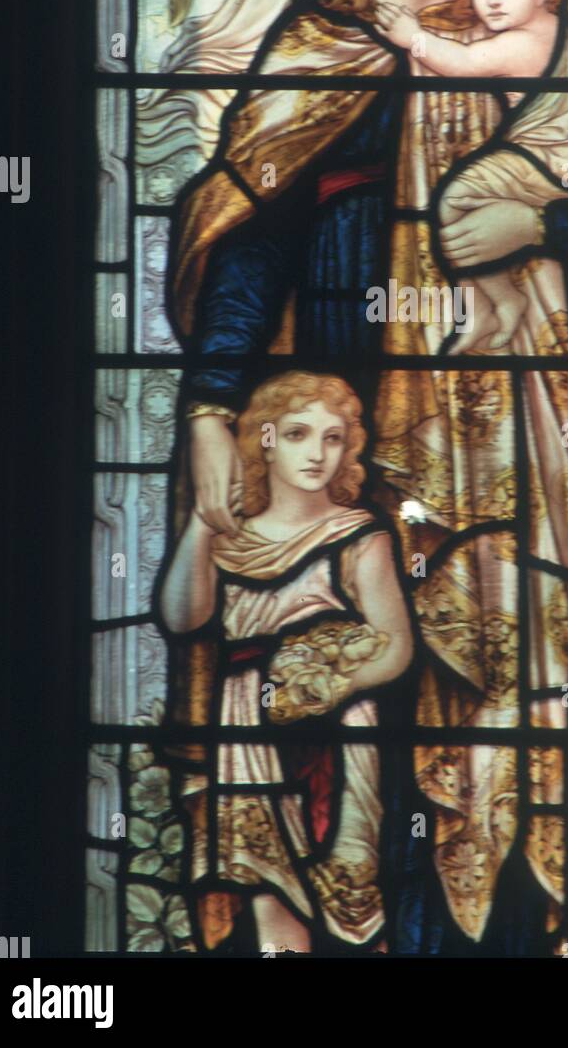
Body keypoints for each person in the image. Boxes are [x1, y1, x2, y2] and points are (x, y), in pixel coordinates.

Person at [167, 0, 568, 945]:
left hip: (492, 422)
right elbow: (246, 240)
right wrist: (209, 404)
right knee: (344, 669)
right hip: (334, 407)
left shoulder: (515, 41)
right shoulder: (318, 47)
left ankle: (468, 935)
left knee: (478, 676)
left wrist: (551, 216)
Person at [158, 371, 412, 953]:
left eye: (333, 438)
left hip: (337, 736)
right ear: (266, 440)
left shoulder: (358, 535)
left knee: (343, 896)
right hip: (245, 726)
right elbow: (181, 617)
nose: (318, 453)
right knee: (266, 893)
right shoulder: (233, 536)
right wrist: (203, 520)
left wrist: (326, 688)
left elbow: (396, 646)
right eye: (299, 434)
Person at [376, 0, 568, 353]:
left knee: (453, 200)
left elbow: (461, 62)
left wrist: (412, 38)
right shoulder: (563, 31)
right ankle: (489, 301)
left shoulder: (521, 43)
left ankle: (498, 300)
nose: (492, 1)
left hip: (546, 162)